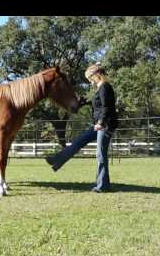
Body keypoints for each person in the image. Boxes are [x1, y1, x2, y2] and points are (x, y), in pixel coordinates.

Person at [45, 63, 119, 192]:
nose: (90, 82)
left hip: (104, 126)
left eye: (90, 79)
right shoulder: (100, 88)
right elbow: (99, 104)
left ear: (97, 75)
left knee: (100, 155)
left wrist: (101, 122)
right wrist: (85, 103)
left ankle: (103, 186)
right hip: (98, 126)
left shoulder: (105, 87)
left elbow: (107, 107)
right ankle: (57, 159)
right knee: (78, 142)